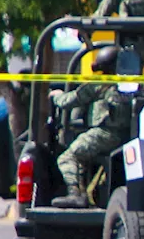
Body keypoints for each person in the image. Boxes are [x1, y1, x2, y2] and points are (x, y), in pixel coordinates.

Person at [49, 46, 133, 208]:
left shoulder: (99, 84)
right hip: (127, 137)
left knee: (67, 157)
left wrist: (56, 96)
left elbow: (69, 101)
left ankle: (75, 195)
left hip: (103, 134)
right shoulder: (131, 83)